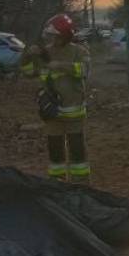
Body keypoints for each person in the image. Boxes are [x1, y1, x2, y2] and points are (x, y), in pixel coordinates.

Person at [21, 14, 91, 182]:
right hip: (52, 112)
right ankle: (57, 183)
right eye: (50, 36)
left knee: (77, 149)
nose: (52, 39)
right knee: (55, 149)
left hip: (74, 112)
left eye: (55, 36)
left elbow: (84, 71)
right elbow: (29, 72)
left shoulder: (78, 51)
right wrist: (27, 56)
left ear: (65, 35)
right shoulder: (45, 53)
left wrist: (61, 65)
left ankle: (80, 183)